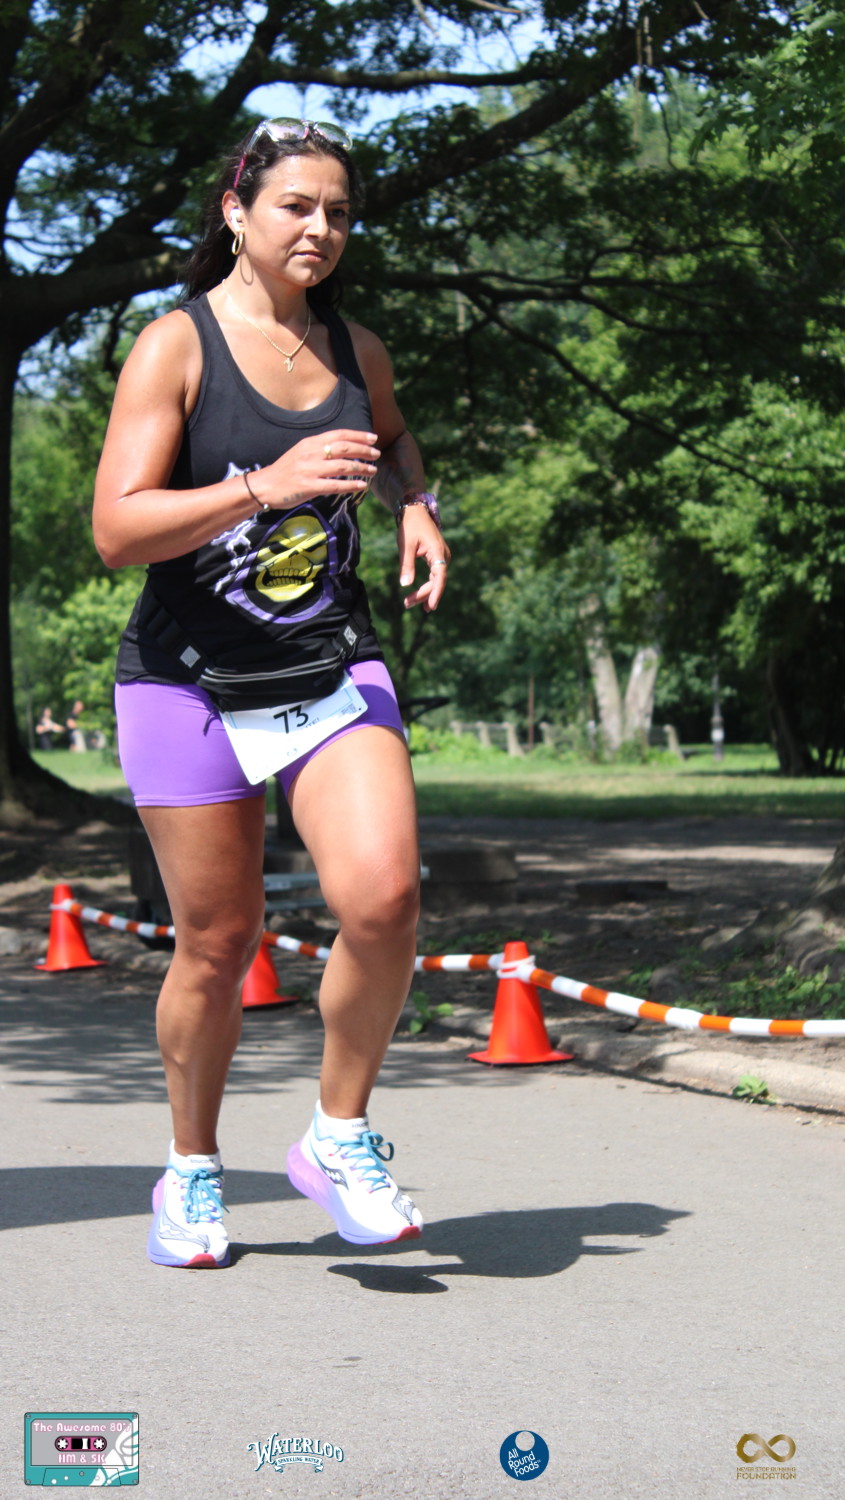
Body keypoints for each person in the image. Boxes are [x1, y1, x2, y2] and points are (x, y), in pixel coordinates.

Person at [92, 118, 450, 1269]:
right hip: (188, 680)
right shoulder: (175, 347)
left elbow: (394, 439)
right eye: (297, 205)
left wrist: (415, 506)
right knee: (217, 941)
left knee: (384, 897)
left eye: (339, 212)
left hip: (328, 662)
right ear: (237, 212)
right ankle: (192, 1169)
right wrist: (267, 485)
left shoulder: (357, 351)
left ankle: (337, 1137)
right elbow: (116, 530)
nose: (321, 229)